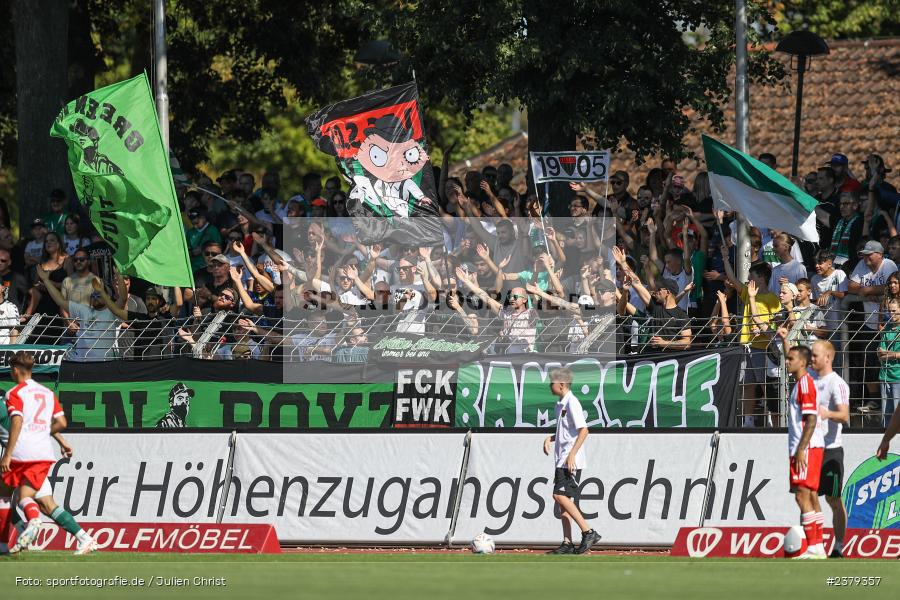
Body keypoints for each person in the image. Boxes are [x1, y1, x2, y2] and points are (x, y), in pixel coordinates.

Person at [0, 360, 96, 555]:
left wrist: (7, 455)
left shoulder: (13, 397)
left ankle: (12, 538)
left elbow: (18, 424)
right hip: (38, 454)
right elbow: (39, 422)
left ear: (16, 370)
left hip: (20, 455)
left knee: (9, 498)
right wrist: (61, 441)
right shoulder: (32, 394)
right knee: (46, 504)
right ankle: (85, 539)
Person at [542, 367, 601, 555]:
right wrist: (550, 438)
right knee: (563, 501)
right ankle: (567, 543)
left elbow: (584, 430)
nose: (549, 386)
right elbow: (566, 432)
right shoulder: (560, 404)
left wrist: (572, 454)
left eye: (552, 382)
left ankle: (588, 531)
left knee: (559, 496)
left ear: (561, 384)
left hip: (569, 460)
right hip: (561, 458)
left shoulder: (572, 402)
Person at [778, 340, 826, 559]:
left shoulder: (805, 384)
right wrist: (784, 340)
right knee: (811, 495)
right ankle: (819, 547)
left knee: (801, 496)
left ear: (803, 363)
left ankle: (815, 546)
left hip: (806, 448)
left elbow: (811, 420)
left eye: (791, 359)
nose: (787, 361)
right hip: (808, 447)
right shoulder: (801, 383)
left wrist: (801, 449)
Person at [35, 266, 128, 361]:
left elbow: (123, 299)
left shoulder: (112, 312)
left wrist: (119, 276)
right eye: (93, 295)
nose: (95, 297)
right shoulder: (83, 310)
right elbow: (60, 301)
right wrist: (46, 280)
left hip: (104, 363)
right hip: (81, 363)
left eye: (99, 294)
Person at [810, 340, 850, 559]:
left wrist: (827, 414)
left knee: (834, 500)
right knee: (808, 497)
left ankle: (839, 546)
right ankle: (813, 545)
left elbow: (845, 416)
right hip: (811, 449)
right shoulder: (809, 378)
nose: (812, 358)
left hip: (831, 450)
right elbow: (789, 363)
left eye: (816, 355)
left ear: (828, 357)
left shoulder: (838, 384)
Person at [877, 297, 900, 427]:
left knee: (897, 412)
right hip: (885, 375)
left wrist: (889, 355)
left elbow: (884, 353)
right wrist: (894, 355)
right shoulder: (887, 328)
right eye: (889, 311)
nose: (891, 314)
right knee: (886, 413)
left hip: (898, 376)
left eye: (895, 311)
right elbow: (880, 353)